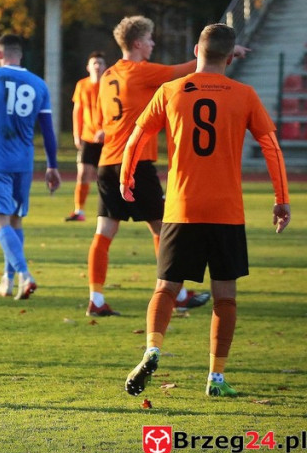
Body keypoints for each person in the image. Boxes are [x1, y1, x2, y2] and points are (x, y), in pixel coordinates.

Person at [123, 23, 290, 398]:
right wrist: (282, 199)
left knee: (166, 288)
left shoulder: (170, 90)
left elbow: (137, 135)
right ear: (230, 58)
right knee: (225, 296)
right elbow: (271, 147)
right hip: (226, 211)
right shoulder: (244, 95)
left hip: (182, 207)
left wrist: (126, 177)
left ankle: (152, 348)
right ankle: (215, 378)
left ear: (196, 50)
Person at [84, 16, 244, 316]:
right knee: (164, 229)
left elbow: (102, 118)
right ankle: (179, 293)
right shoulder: (140, 71)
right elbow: (184, 71)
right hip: (137, 162)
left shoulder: (107, 76)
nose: (152, 44)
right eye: (149, 39)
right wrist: (225, 53)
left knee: (104, 232)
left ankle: (96, 298)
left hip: (108, 162)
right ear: (136, 43)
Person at [0, 34, 60, 299]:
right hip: (24, 162)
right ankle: (7, 281)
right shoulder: (39, 84)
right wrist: (52, 165)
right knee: (15, 219)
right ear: (20, 55)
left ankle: (24, 274)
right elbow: (48, 130)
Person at [65, 51, 106, 222]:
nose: (97, 66)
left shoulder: (110, 85)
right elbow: (78, 111)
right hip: (88, 137)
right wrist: (77, 134)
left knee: (105, 176)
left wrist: (106, 130)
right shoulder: (82, 85)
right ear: (88, 67)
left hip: (108, 139)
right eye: (94, 63)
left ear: (105, 67)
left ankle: (107, 211)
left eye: (100, 63)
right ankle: (79, 211)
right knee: (83, 173)